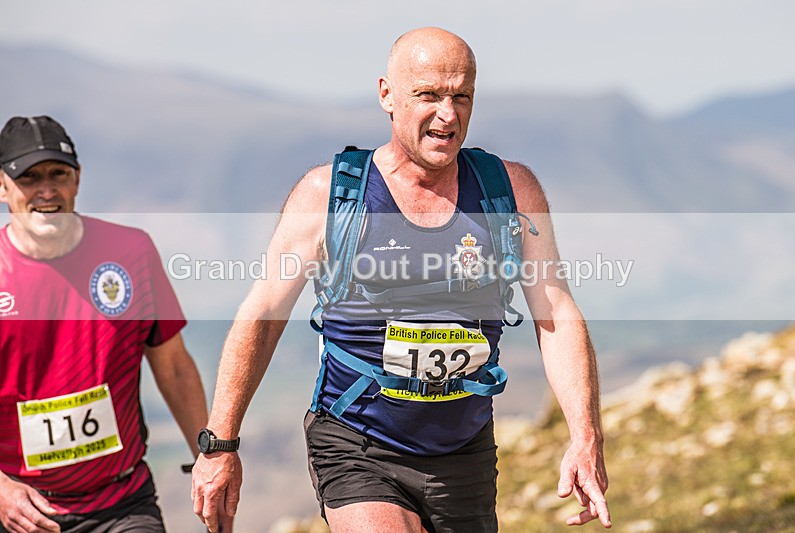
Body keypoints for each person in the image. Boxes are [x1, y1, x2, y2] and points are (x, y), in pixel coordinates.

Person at [192, 27, 610, 532]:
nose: (448, 115)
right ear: (387, 95)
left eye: (461, 96)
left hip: (464, 451)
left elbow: (556, 312)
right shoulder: (329, 195)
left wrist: (585, 435)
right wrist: (220, 444)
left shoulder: (511, 192)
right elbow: (263, 314)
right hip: (357, 441)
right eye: (428, 95)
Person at [0, 116, 228, 533]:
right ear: (2, 186)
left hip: (121, 504)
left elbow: (174, 368)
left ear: (77, 178)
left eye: (58, 174)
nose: (46, 190)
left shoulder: (130, 252)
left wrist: (210, 457)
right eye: (29, 177)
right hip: (20, 511)